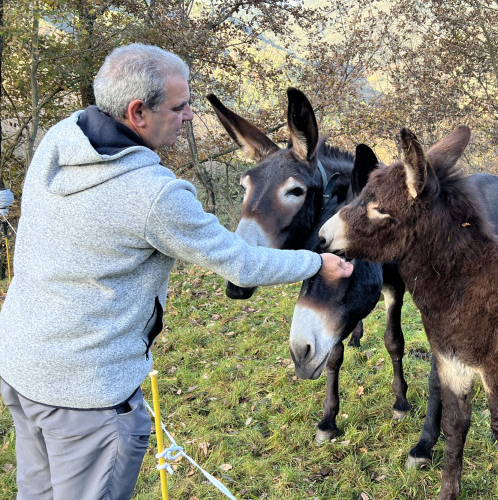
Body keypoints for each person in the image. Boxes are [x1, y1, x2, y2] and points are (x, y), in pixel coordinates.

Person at [0, 43, 353, 500]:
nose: (189, 116)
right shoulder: (154, 195)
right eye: (179, 106)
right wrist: (316, 261)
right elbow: (241, 263)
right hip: (87, 393)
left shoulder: (61, 138)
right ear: (137, 112)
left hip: (22, 365)